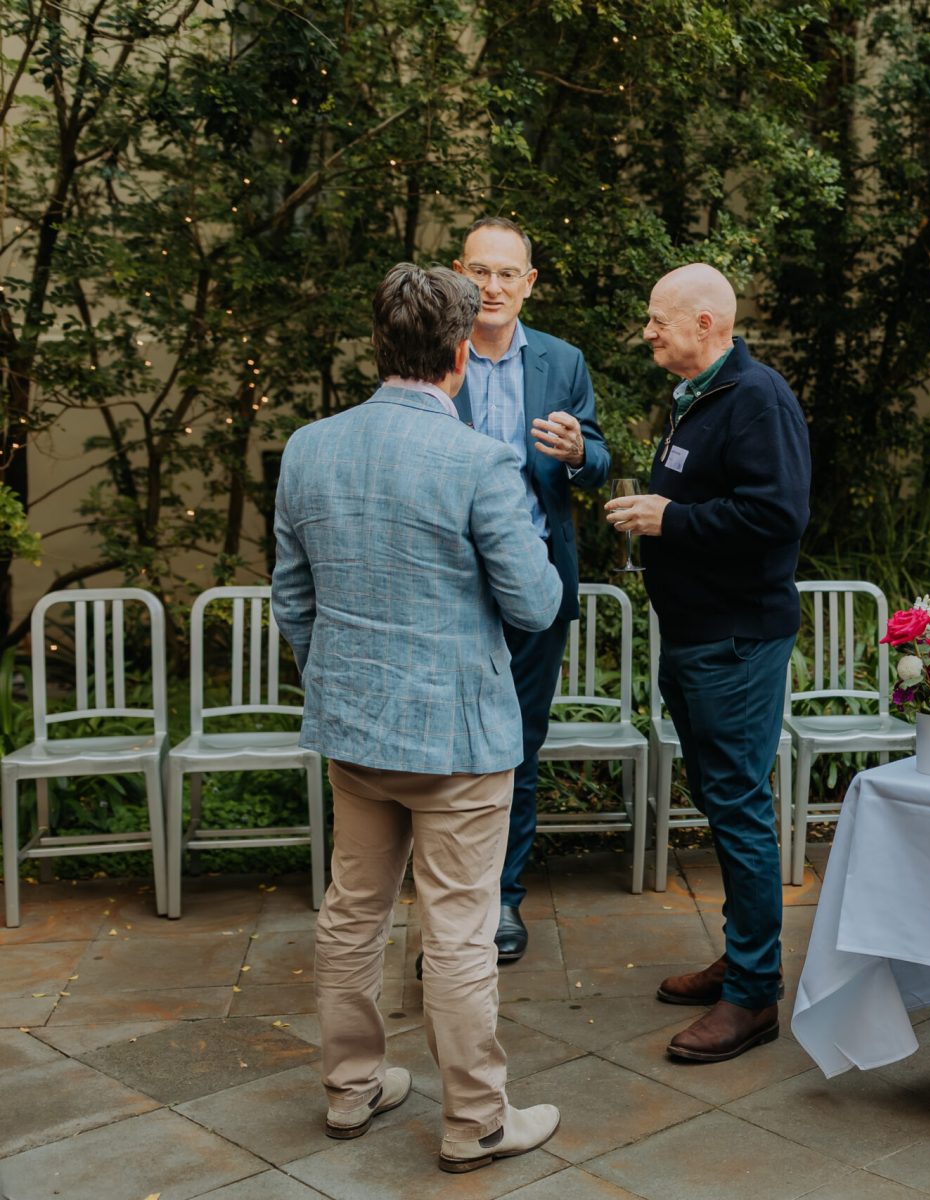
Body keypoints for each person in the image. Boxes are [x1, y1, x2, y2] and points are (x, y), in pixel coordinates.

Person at [273, 263, 563, 1173]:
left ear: (379, 344)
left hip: (356, 732)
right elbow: (535, 604)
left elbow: (292, 599)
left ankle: (350, 1088)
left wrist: (340, 683)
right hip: (459, 742)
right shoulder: (479, 459)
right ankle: (475, 1121)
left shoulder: (308, 447)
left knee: (352, 912)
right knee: (460, 931)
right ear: (459, 354)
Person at [604, 263, 810, 1063]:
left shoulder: (758, 397)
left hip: (736, 639)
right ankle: (742, 955)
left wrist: (671, 521)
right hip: (697, 635)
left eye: (659, 319)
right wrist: (667, 518)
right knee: (723, 802)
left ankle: (753, 995)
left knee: (738, 805)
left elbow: (778, 513)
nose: (648, 331)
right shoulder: (699, 397)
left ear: (706, 324)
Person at [450, 217, 610, 966]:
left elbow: (598, 457)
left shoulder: (561, 360)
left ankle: (504, 899)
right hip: (451, 587)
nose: (492, 286)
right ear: (459, 274)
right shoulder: (434, 351)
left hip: (537, 585)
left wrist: (580, 454)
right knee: (452, 749)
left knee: (518, 745)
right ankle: (454, 906)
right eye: (479, 271)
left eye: (506, 273)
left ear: (529, 283)